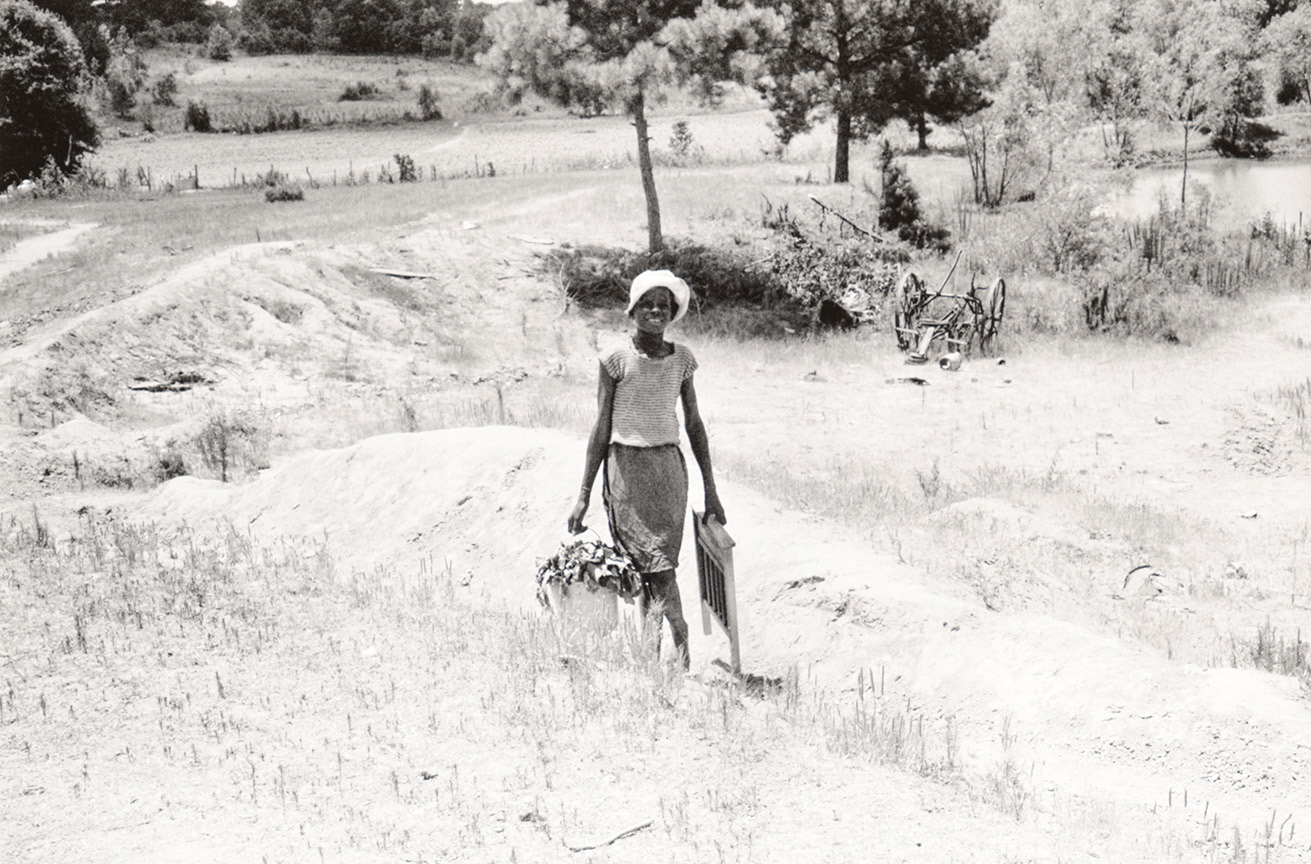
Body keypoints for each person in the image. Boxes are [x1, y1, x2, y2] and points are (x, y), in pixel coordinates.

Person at [567, 269, 727, 669]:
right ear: (633, 310)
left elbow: (694, 425)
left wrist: (711, 490)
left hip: (667, 474)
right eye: (647, 304)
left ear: (673, 313)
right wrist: (584, 494)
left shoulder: (682, 361)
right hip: (626, 474)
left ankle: (678, 640)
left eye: (664, 305)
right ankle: (656, 655)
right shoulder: (615, 359)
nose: (656, 311)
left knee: (660, 567)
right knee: (641, 570)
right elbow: (601, 427)